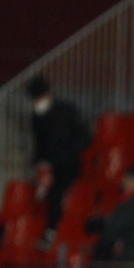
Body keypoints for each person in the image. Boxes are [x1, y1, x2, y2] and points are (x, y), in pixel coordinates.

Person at [26, 75, 89, 235]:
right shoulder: (37, 117)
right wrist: (38, 162)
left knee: (57, 194)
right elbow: (39, 143)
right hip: (49, 165)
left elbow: (84, 136)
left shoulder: (66, 110)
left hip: (68, 165)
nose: (37, 102)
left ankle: (52, 230)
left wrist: (68, 153)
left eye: (39, 97)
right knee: (39, 195)